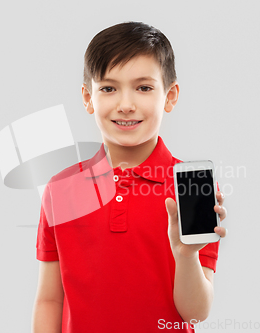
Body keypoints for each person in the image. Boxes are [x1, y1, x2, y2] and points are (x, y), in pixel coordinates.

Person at [32, 21, 228, 333]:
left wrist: (186, 255)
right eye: (108, 88)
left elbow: (194, 314)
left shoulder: (192, 187)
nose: (126, 105)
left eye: (144, 88)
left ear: (170, 96)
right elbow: (49, 300)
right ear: (87, 98)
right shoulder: (61, 189)